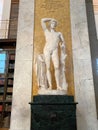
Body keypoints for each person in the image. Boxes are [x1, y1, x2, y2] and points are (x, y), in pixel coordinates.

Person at [41, 18, 66, 90]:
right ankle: (50, 86)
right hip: (47, 50)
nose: (53, 24)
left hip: (55, 50)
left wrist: (62, 45)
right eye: (52, 23)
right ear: (50, 24)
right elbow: (42, 20)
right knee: (48, 67)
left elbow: (63, 42)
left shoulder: (59, 33)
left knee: (57, 67)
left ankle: (58, 85)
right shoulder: (46, 32)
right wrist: (50, 19)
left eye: (55, 23)